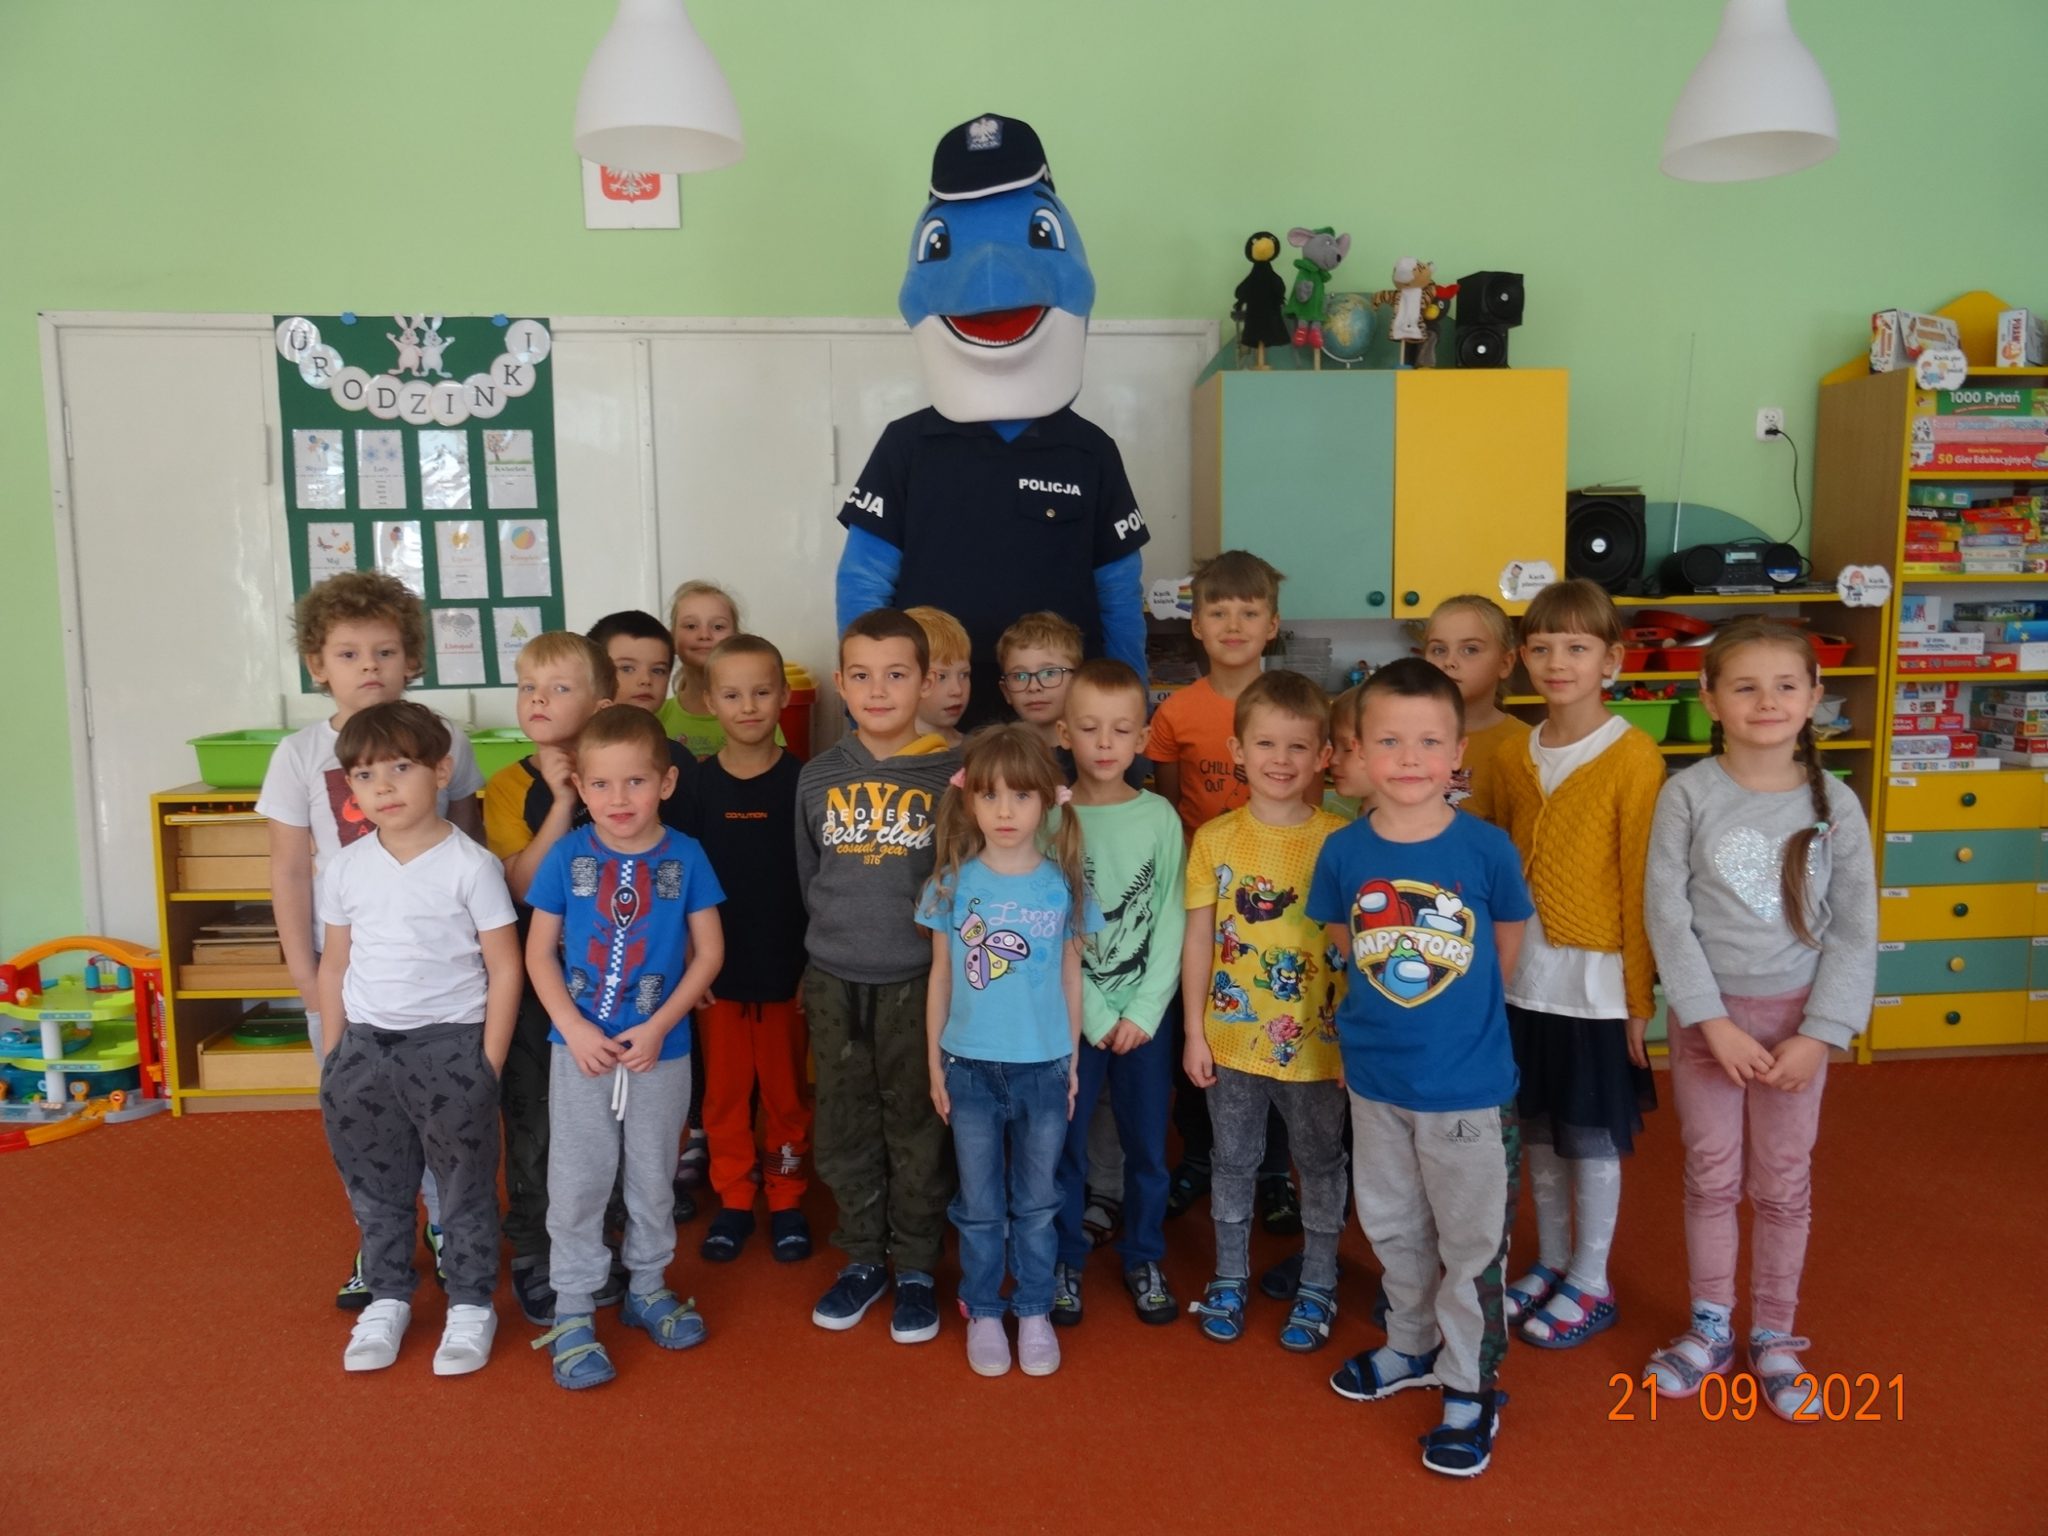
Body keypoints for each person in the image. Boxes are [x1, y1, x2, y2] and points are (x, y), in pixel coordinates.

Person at [1642, 621, 1876, 1422]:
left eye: (1786, 686)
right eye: (1745, 686)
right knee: (1711, 1175)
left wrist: (1821, 1033)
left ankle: (1774, 1333)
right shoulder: (1687, 794)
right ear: (1709, 699)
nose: (1767, 701)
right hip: (1712, 1024)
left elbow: (1855, 929)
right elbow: (1667, 916)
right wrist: (1709, 1021)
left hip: (1797, 1025)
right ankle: (1709, 1325)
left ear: (1815, 698)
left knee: (1782, 1182)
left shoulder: (1838, 803)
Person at [1310, 660, 1532, 1479]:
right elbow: (1344, 944)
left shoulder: (1486, 847)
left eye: (1430, 742)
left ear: (1458, 752)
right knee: (1394, 1225)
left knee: (1472, 1244)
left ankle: (1470, 1385)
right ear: (1357, 752)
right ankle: (1409, 1345)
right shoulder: (1342, 850)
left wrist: (1460, 1024)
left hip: (1467, 1089)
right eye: (1390, 741)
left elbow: (1504, 947)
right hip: (1376, 1083)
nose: (1409, 758)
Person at [258, 569, 485, 1309]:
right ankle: (380, 1236)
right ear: (317, 665)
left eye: (385, 652)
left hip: (439, 977)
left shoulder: (447, 740)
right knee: (363, 1118)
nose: (369, 668)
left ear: (411, 659)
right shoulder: (299, 754)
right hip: (348, 972)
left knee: (444, 1111)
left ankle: (448, 1228)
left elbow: (472, 844)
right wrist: (305, 974)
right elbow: (290, 869)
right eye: (348, 654)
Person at [524, 706, 726, 1388]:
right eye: (602, 784)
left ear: (665, 783)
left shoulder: (687, 856)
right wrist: (574, 1026)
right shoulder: (566, 855)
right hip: (579, 1051)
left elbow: (709, 953)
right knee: (577, 1181)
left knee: (651, 1177)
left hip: (659, 1051)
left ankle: (647, 1286)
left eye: (635, 781)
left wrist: (661, 1024)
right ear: (580, 787)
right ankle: (574, 1308)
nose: (619, 799)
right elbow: (538, 952)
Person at [316, 701, 519, 1376]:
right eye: (365, 774)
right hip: (364, 1050)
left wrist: (487, 1064)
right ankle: (388, 1296)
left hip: (450, 1048)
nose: (383, 786)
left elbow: (505, 966)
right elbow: (335, 964)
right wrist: (334, 1056)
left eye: (400, 767)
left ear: (441, 769)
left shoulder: (471, 866)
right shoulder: (346, 867)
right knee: (377, 1188)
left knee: (462, 1188)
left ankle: (471, 1303)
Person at [1492, 579, 1663, 1348]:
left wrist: (1639, 1000)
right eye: (1542, 646)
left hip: (1593, 984)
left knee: (1589, 1138)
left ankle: (1592, 1280)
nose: (1558, 662)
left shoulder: (1633, 756)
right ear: (1522, 658)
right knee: (1537, 1132)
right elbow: (1496, 862)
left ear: (1611, 660)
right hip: (1523, 977)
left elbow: (1640, 882)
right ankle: (1554, 1261)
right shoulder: (1512, 751)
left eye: (1577, 647)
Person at [797, 609, 961, 1342]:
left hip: (920, 983)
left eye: (896, 674)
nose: (878, 690)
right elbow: (808, 872)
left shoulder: (954, 776)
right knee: (844, 1122)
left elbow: (965, 878)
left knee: (919, 1123)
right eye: (861, 676)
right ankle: (863, 1257)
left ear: (925, 682)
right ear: (840, 683)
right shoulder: (819, 775)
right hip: (834, 978)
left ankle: (918, 1264)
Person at [920, 725, 1100, 1377]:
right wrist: (934, 1065)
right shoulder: (952, 884)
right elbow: (941, 976)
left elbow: (1072, 978)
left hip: (1044, 1069)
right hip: (968, 1068)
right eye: (990, 795)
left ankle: (1033, 1309)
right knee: (979, 1206)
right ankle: (983, 1310)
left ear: (1047, 802)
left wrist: (1071, 1065)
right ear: (968, 800)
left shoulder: (1063, 886)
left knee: (1037, 1203)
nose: (1004, 811)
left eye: (1021, 797)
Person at [1180, 671, 1350, 1351]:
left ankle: (1320, 1279)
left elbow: (1358, 948)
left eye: (1298, 746)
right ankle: (1229, 1275)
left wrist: (1357, 1041)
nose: (1281, 759)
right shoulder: (1214, 839)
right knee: (1233, 1159)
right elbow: (1199, 939)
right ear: (1238, 751)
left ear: (1324, 756)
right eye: (1266, 744)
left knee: (1321, 1160)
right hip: (1230, 1038)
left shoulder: (1342, 840)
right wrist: (1193, 1031)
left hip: (1322, 1044)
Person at [1147, 550, 1299, 1233]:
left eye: (1249, 612)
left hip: (1281, 904)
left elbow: (1310, 805)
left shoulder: (1296, 706)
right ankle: (1201, 1155)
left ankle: (1273, 1170)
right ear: (1197, 626)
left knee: (1277, 1031)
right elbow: (1170, 812)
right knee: (1204, 1030)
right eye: (1218, 612)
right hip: (1203, 903)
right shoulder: (1176, 712)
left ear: (1272, 624)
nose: (1233, 625)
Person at [481, 633, 621, 1326]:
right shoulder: (509, 785)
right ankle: (536, 1247)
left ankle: (598, 1240)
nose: (538, 699)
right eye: (527, 687)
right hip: (539, 986)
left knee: (606, 1115)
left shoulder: (621, 775)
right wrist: (563, 803)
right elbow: (521, 883)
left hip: (615, 980)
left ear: (600, 703)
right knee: (536, 1116)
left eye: (559, 688)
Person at [1048, 660, 1186, 1329]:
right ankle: (1065, 1259)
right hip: (1072, 1016)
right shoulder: (1050, 819)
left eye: (1121, 729)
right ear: (1064, 732)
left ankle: (1144, 1254)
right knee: (1065, 1146)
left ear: (1142, 737)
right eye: (1089, 728)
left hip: (1145, 1021)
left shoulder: (1160, 817)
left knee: (1148, 1148)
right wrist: (1096, 1014)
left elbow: (1173, 917)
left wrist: (1144, 1010)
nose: (1105, 743)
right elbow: (1051, 927)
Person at [691, 635, 814, 1265]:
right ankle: (735, 1199)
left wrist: (813, 966)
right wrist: (691, 967)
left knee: (787, 1098)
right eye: (732, 694)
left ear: (784, 696)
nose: (748, 706)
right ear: (710, 701)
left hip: (789, 975)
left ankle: (787, 1198)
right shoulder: (693, 788)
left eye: (762, 692)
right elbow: (679, 884)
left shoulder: (807, 783)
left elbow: (823, 884)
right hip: (716, 979)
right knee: (724, 1099)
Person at [589, 609, 714, 1208]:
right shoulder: (578, 769)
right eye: (626, 668)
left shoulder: (676, 767)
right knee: (588, 1122)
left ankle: (677, 1155)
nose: (643, 681)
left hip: (662, 968)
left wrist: (689, 947)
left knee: (656, 1099)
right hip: (586, 980)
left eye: (658, 670)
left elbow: (683, 866)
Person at [1421, 594, 1528, 823]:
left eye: (1470, 650)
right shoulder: (1403, 735)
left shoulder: (1526, 745)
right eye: (1438, 650)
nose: (1449, 662)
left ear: (1505, 663)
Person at [657, 579, 785, 759]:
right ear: (672, 639)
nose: (704, 635)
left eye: (718, 627)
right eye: (691, 626)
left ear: (736, 639)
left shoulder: (756, 717)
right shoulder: (658, 717)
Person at [906, 605, 973, 746]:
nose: (957, 690)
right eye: (941, 677)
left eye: (964, 675)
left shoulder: (979, 750)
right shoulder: (883, 753)